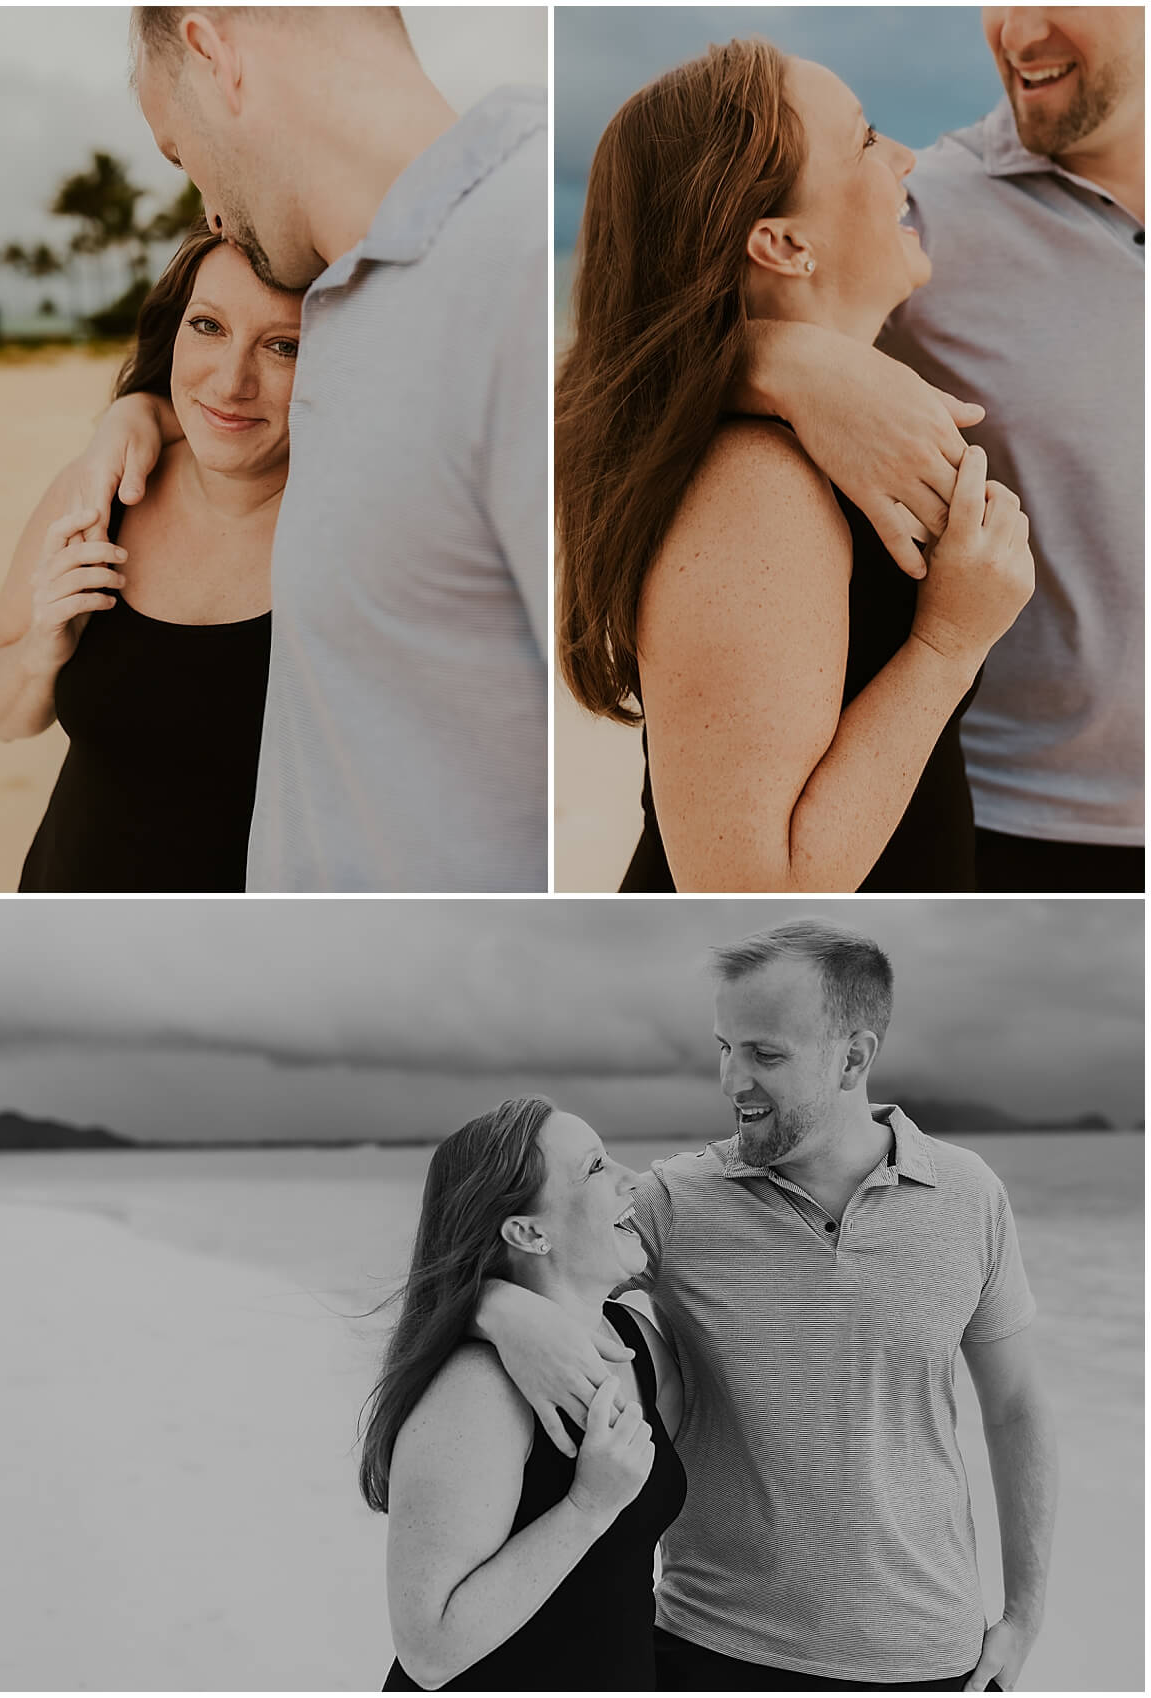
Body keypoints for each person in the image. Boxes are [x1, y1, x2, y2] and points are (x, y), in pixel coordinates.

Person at [478, 921, 1058, 1691]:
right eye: (725, 1047)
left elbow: (1015, 1407)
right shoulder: (675, 1203)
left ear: (854, 1057)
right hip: (713, 1650)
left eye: (764, 1054)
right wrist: (500, 1312)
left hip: (933, 1657)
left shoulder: (971, 1197)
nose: (730, 1080)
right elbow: (507, 1255)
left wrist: (1023, 1616)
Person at [69, 6, 547, 894]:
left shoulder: (511, 263)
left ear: (215, 55)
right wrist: (136, 410)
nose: (207, 206)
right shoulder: (345, 294)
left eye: (180, 152)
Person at [556, 40, 1035, 894]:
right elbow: (747, 888)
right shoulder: (758, 481)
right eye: (864, 139)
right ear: (781, 243)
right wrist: (948, 642)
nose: (903, 156)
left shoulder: (790, 439)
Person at [877, 6, 1144, 893]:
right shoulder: (916, 214)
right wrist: (783, 363)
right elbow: (653, 353)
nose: (1019, 32)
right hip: (1024, 828)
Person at [0, 226, 302, 892]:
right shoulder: (100, 490)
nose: (231, 381)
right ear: (173, 332)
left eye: (285, 346)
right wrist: (43, 644)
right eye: (208, 326)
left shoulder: (355, 536)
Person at [358, 1096, 686, 1690]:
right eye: (594, 1168)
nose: (630, 1178)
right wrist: (587, 1508)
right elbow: (428, 1652)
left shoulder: (636, 1342)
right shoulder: (476, 1387)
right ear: (530, 1232)